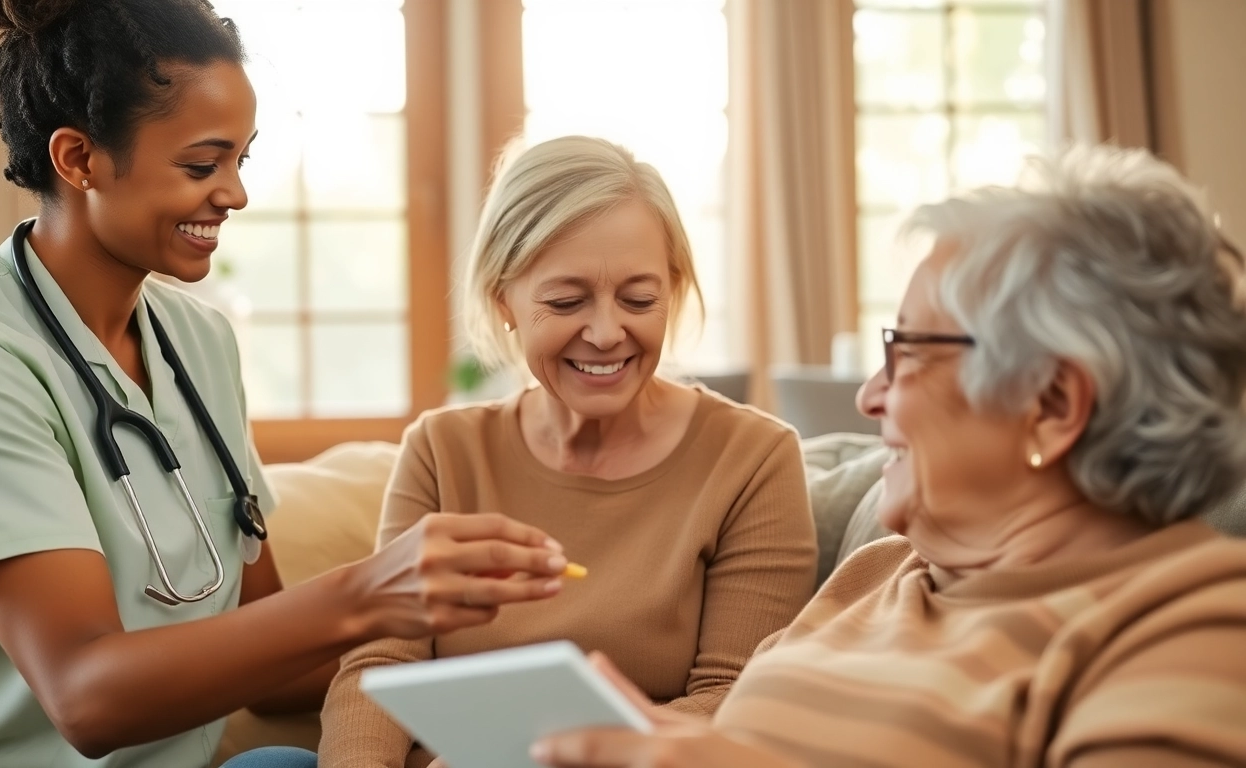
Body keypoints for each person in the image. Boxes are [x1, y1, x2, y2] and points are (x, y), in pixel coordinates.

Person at [0, 2, 571, 766]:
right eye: (200, 165)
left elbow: (274, 668)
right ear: (79, 159)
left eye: (240, 161)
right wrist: (369, 591)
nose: (235, 195)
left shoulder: (199, 342)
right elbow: (85, 698)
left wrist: (485, 684)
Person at [527, 145, 1246, 768]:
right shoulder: (876, 572)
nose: (871, 396)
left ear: (1053, 407)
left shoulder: (1186, 626)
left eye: (908, 354)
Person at [318, 136, 819, 768]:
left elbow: (735, 698)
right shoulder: (443, 451)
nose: (608, 333)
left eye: (640, 299)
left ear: (673, 288)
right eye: (565, 301)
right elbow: (380, 664)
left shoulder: (752, 458)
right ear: (505, 299)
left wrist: (517, 757)